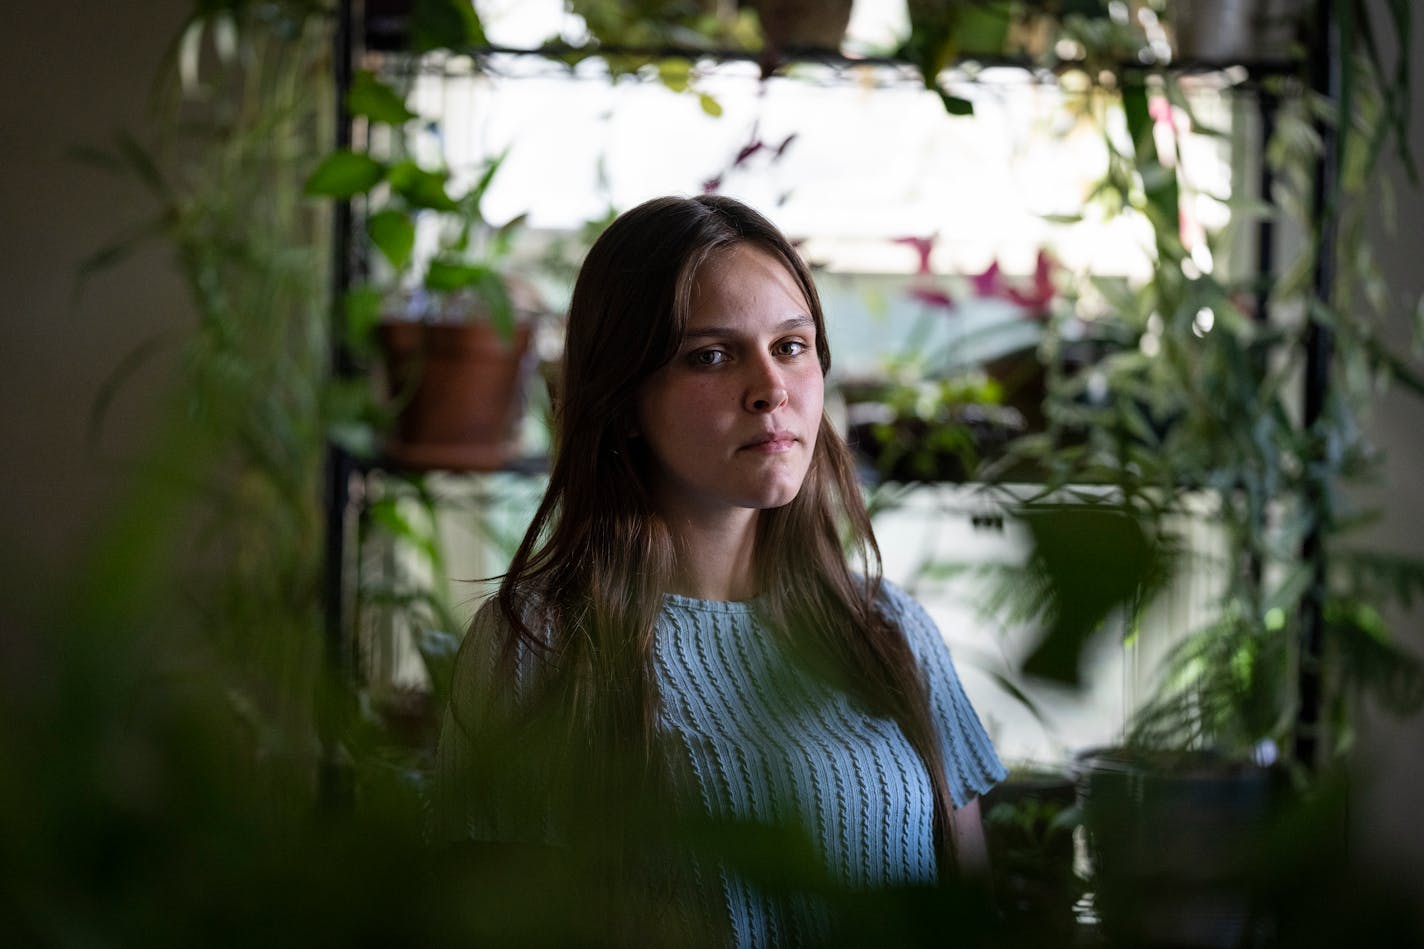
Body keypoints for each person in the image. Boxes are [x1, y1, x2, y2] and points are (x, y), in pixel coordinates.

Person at [433, 195, 1005, 946]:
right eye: (711, 354)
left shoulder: (891, 629)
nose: (770, 388)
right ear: (626, 399)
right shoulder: (534, 646)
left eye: (792, 346)